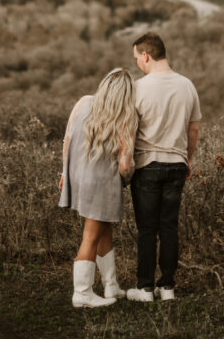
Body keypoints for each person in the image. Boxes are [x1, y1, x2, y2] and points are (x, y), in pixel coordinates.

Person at [126, 32, 201, 303]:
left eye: (136, 58)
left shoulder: (138, 88)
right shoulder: (187, 86)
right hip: (177, 165)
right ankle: (167, 286)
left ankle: (145, 287)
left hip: (147, 165)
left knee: (147, 228)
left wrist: (127, 163)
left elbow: (129, 132)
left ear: (146, 55)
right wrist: (188, 159)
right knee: (169, 226)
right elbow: (193, 130)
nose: (136, 63)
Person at [59, 67, 138, 308]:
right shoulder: (126, 117)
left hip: (78, 175)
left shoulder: (83, 102)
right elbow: (125, 164)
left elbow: (68, 138)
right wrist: (129, 177)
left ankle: (111, 285)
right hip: (102, 182)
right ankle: (82, 293)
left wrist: (64, 171)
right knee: (91, 235)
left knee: (104, 231)